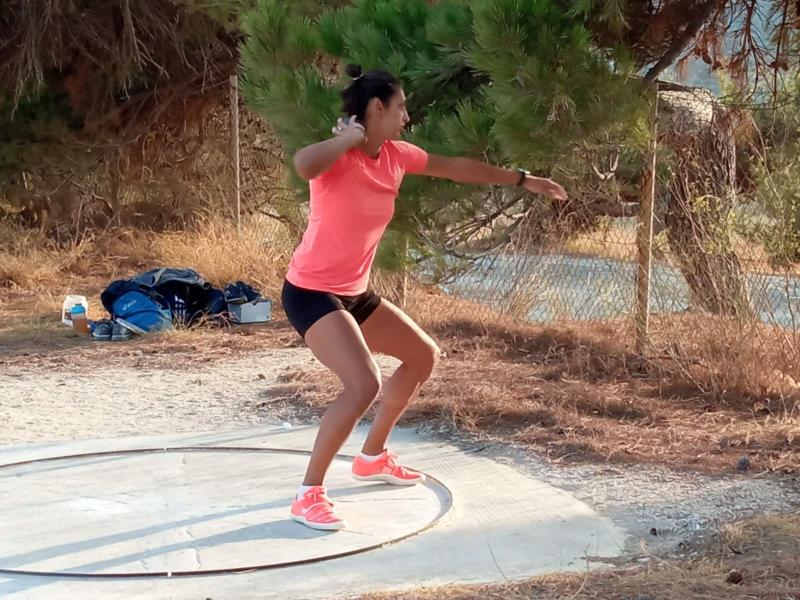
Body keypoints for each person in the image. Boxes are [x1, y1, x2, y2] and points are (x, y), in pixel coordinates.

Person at [284, 64, 567, 531]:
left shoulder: (397, 156)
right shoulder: (339, 157)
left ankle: (372, 456)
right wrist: (349, 138)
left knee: (422, 355)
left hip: (355, 292)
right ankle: (308, 494)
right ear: (377, 108)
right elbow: (303, 164)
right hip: (311, 292)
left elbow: (455, 169)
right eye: (400, 107)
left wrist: (522, 179)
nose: (407, 116)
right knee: (363, 383)